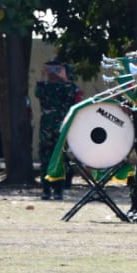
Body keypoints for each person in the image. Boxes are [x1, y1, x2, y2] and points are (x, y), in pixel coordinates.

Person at [37, 60, 81, 200]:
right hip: (47, 128)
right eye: (51, 69)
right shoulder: (44, 86)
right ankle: (46, 190)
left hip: (63, 126)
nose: (53, 72)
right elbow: (39, 93)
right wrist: (44, 75)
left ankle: (58, 191)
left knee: (61, 158)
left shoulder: (68, 87)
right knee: (45, 158)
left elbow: (74, 94)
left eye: (57, 69)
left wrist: (64, 78)